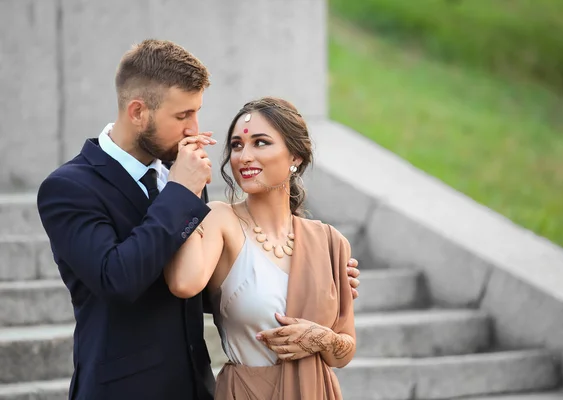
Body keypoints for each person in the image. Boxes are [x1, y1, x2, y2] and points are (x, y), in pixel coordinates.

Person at [36, 40, 360, 400]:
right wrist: (179, 192)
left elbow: (204, 281)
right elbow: (117, 279)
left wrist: (311, 278)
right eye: (182, 116)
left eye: (197, 112)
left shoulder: (181, 173)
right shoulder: (69, 188)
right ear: (138, 112)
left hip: (196, 388)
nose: (195, 129)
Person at [165, 96, 356, 399]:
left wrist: (323, 339)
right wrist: (186, 190)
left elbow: (343, 352)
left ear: (295, 156)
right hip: (247, 391)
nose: (244, 156)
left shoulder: (329, 241)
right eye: (237, 146)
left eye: (261, 143)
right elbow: (183, 283)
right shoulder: (221, 219)